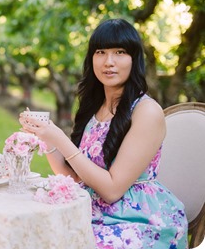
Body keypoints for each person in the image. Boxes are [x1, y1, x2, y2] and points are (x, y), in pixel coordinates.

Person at [19, 19, 188, 248]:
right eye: (101, 52)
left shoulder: (146, 111)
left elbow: (111, 190)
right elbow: (77, 177)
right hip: (91, 209)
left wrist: (58, 137)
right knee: (28, 230)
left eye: (120, 52)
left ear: (134, 59)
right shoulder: (93, 107)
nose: (109, 62)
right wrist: (45, 137)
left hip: (136, 221)